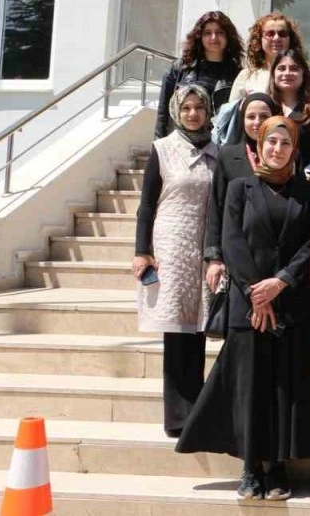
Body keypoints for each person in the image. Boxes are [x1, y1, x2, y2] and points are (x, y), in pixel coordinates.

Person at [176, 117, 310, 501]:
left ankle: (277, 469)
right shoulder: (240, 188)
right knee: (250, 389)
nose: (277, 149)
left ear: (294, 150)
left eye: (285, 143)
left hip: (290, 304)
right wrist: (256, 292)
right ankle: (251, 468)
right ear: (259, 145)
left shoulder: (309, 193)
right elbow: (231, 240)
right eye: (271, 141)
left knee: (282, 389)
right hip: (248, 305)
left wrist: (281, 282)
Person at [132, 84, 219, 437]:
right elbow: (146, 204)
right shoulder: (163, 149)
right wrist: (142, 250)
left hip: (203, 247)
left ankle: (197, 412)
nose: (193, 114)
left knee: (198, 329)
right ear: (176, 112)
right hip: (171, 246)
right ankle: (178, 417)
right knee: (176, 331)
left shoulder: (217, 152)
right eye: (186, 108)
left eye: (199, 107)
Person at [206, 93, 276, 297]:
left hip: (276, 254)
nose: (257, 122)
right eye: (251, 116)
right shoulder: (228, 155)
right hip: (238, 253)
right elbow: (217, 206)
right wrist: (214, 257)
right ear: (242, 119)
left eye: (264, 116)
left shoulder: (288, 155)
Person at [155, 11, 243, 139]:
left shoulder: (237, 72)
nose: (214, 37)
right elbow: (163, 113)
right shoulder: (181, 68)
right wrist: (158, 143)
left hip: (220, 143)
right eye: (207, 33)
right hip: (184, 141)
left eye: (220, 32)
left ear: (228, 37)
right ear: (199, 37)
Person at [229, 12, 310, 102]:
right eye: (270, 34)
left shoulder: (305, 75)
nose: (276, 38)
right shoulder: (246, 76)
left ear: (290, 39)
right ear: (259, 39)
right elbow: (233, 110)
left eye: (282, 34)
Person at [270, 48, 310, 171]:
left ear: (303, 74)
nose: (287, 73)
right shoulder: (266, 108)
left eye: (294, 69)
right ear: (273, 73)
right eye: (281, 68)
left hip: (306, 179)